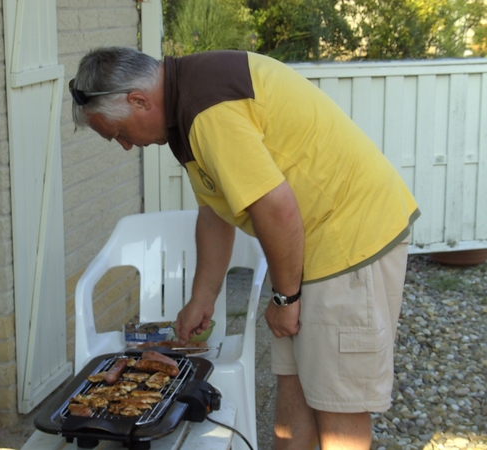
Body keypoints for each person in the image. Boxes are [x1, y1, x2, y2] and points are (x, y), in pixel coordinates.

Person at [69, 46, 420, 450]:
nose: (126, 146)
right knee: (297, 390)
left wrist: (285, 297)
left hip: (348, 239)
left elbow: (277, 208)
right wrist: (203, 298)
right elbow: (216, 210)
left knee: (338, 405)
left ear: (139, 100)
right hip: (309, 246)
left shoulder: (208, 110)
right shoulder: (185, 108)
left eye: (119, 133)